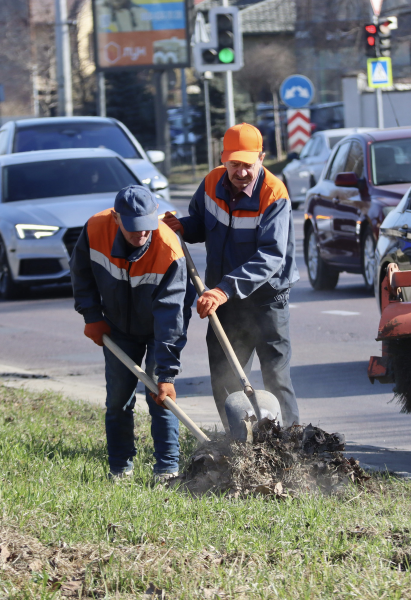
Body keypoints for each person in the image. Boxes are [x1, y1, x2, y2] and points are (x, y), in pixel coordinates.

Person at [163, 123, 300, 431]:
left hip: (266, 299)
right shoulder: (212, 182)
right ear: (223, 159)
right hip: (223, 300)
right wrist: (183, 227)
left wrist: (223, 289)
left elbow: (270, 256)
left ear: (261, 158)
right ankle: (240, 441)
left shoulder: (273, 194)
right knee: (225, 375)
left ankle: (291, 442)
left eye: (248, 164)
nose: (241, 172)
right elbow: (201, 221)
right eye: (235, 164)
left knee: (276, 376)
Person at [70, 185, 189, 481]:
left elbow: (171, 316)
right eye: (134, 228)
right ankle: (120, 468)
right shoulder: (96, 229)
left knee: (161, 397)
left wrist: (167, 373)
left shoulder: (169, 250)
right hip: (118, 328)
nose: (142, 234)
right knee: (118, 400)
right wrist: (92, 316)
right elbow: (81, 272)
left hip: (159, 330)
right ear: (116, 218)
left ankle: (167, 469)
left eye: (147, 226)